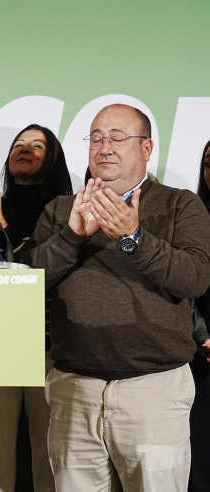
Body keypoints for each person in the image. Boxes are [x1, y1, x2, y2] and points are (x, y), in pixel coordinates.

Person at [19, 104, 210, 491]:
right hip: (74, 388)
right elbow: (25, 283)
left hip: (153, 390)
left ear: (146, 148)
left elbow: (194, 279)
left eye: (118, 138)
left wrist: (134, 237)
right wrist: (72, 237)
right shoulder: (61, 209)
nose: (104, 147)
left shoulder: (181, 204)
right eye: (96, 138)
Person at [0, 124, 71, 492]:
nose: (24, 149)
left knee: (49, 455)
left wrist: (1, 223)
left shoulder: (67, 212)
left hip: (48, 348)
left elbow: (33, 271)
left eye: (37, 145)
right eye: (19, 144)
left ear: (53, 158)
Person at [188, 139, 210, 492]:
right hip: (203, 353)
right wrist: (202, 336)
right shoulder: (193, 220)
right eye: (209, 161)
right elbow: (183, 289)